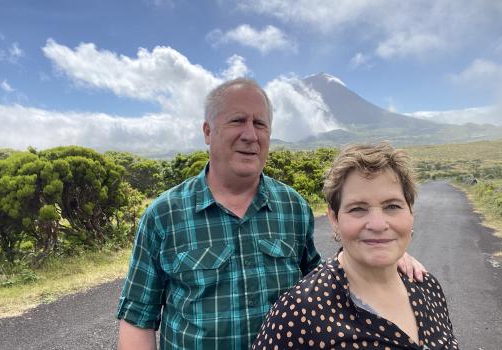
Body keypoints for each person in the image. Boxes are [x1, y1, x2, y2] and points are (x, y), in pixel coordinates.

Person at [116, 79, 427, 350]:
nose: (251, 135)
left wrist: (385, 255)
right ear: (208, 132)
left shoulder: (292, 206)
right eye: (237, 120)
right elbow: (137, 319)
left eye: (260, 124)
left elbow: (325, 282)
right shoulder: (164, 215)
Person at [252, 143, 459, 350]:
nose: (378, 225)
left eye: (392, 206)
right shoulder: (298, 313)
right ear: (334, 219)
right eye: (358, 209)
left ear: (410, 212)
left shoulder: (428, 287)